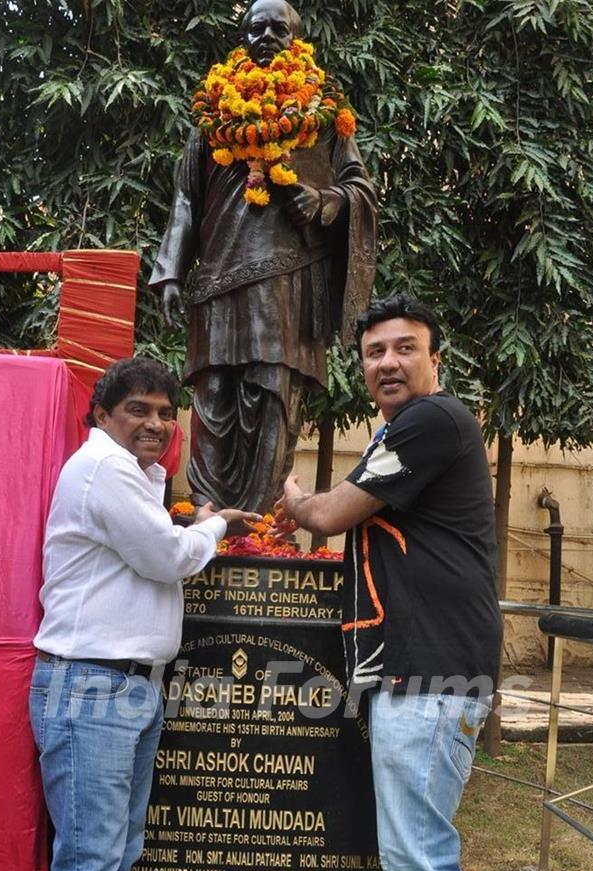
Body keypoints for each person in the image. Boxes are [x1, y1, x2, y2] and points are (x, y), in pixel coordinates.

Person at [273, 296, 502, 871]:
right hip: (410, 672)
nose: (389, 363)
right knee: (406, 857)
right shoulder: (401, 432)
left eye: (406, 348)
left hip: (435, 673)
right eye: (375, 353)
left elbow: (333, 514)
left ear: (436, 358)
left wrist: (295, 498)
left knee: (420, 863)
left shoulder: (432, 422)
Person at [30, 357, 258, 871]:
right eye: (139, 410)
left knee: (118, 854)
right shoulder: (103, 471)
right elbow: (165, 557)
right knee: (89, 868)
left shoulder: (137, 475)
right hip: (89, 689)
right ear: (101, 414)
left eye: (166, 412)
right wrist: (216, 525)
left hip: (129, 689)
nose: (157, 424)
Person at [149, 0, 377, 513]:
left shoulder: (323, 114)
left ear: (297, 39)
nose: (268, 36)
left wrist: (325, 201)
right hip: (216, 282)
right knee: (212, 403)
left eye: (280, 27)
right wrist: (169, 270)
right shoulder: (212, 113)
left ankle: (254, 524)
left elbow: (360, 188)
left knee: (271, 397)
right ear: (243, 36)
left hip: (285, 282)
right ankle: (209, 519)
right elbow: (186, 198)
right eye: (258, 27)